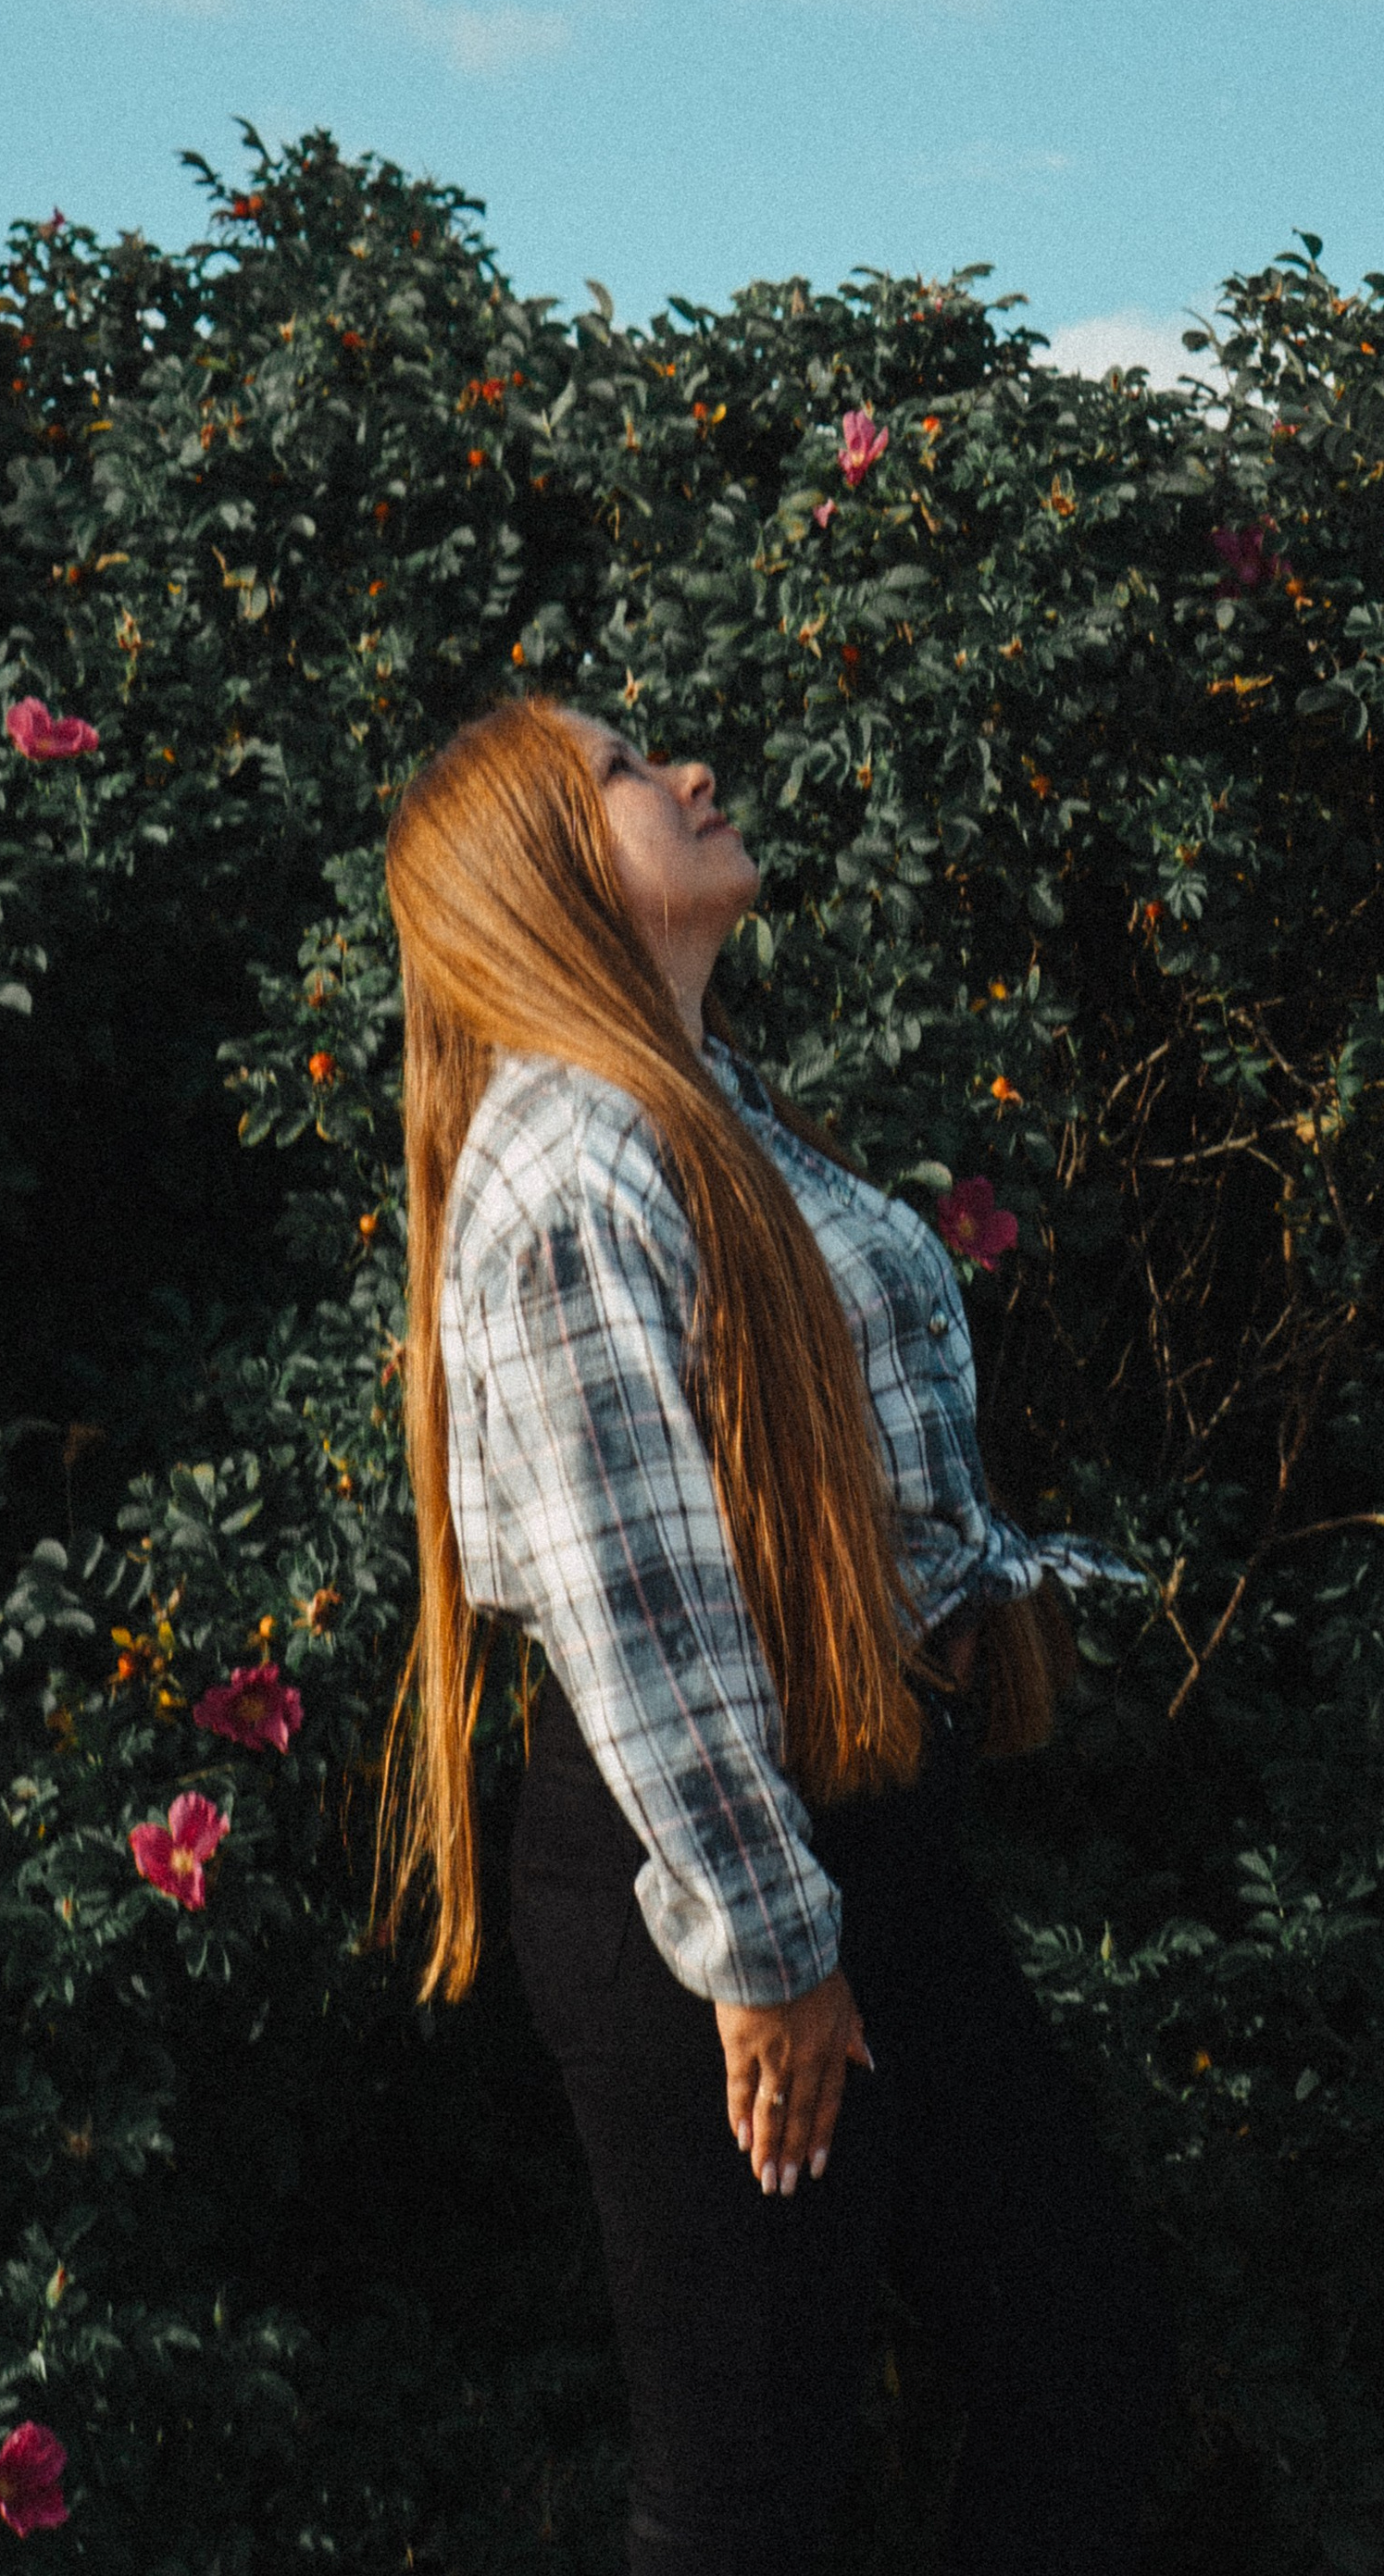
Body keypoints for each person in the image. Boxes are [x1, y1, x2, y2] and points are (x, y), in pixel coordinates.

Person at [377, 694, 1172, 2576]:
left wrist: (960, 1588)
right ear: (544, 869)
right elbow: (633, 1610)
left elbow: (798, 1441)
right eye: (625, 771)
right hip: (714, 1890)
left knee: (1078, 2355)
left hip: (860, 1839)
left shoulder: (694, 1097)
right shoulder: (567, 1172)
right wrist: (765, 1946)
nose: (691, 773)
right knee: (741, 2497)